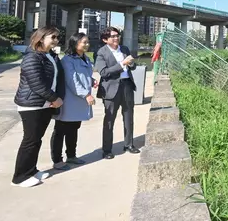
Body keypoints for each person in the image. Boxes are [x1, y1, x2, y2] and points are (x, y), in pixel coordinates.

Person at [12, 26, 65, 188]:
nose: (56, 40)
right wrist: (54, 98)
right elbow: (37, 83)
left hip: (44, 105)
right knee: (30, 140)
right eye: (53, 37)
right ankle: (20, 177)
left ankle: (31, 170)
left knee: (36, 140)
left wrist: (55, 99)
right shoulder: (32, 57)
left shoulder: (49, 56)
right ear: (41, 38)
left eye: (57, 37)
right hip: (32, 105)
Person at [51, 32, 96, 170]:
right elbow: (72, 80)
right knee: (61, 130)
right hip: (70, 100)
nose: (86, 44)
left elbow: (84, 76)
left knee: (74, 129)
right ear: (75, 43)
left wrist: (92, 81)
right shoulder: (68, 60)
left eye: (87, 42)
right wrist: (86, 94)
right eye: (84, 42)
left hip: (79, 101)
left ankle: (71, 155)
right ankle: (57, 160)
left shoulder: (85, 59)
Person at [94, 27, 140, 159]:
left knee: (128, 117)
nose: (116, 38)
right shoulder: (101, 53)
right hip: (110, 89)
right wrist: (122, 64)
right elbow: (103, 72)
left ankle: (129, 144)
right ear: (105, 40)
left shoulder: (124, 49)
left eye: (117, 35)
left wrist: (131, 64)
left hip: (126, 86)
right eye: (113, 36)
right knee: (109, 120)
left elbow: (133, 66)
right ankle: (107, 149)